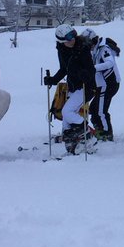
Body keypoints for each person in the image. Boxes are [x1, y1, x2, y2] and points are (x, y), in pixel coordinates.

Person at [46, 24, 98, 154]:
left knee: (67, 112)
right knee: (66, 122)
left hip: (86, 86)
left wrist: (82, 73)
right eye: (68, 38)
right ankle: (73, 146)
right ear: (61, 41)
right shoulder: (62, 49)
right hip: (73, 86)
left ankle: (88, 133)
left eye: (73, 35)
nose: (72, 39)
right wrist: (53, 79)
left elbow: (91, 70)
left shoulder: (83, 48)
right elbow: (64, 68)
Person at [83, 27, 121, 142]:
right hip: (102, 84)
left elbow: (110, 63)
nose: (87, 46)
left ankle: (106, 133)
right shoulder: (95, 49)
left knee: (101, 110)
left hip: (109, 83)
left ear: (93, 41)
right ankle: (99, 129)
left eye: (87, 43)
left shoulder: (104, 48)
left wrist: (93, 68)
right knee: (93, 108)